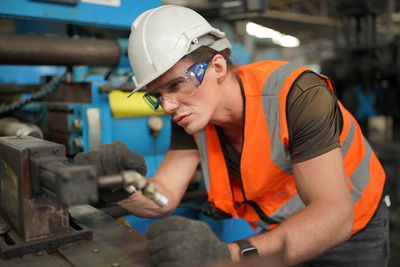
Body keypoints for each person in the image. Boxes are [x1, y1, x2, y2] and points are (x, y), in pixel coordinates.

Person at [75, 5, 389, 267]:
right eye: (156, 94)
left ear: (218, 66)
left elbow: (333, 216)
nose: (167, 105)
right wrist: (120, 184)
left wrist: (227, 255)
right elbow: (163, 197)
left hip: (352, 231)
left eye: (174, 85)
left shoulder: (297, 95)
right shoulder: (191, 117)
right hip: (280, 231)